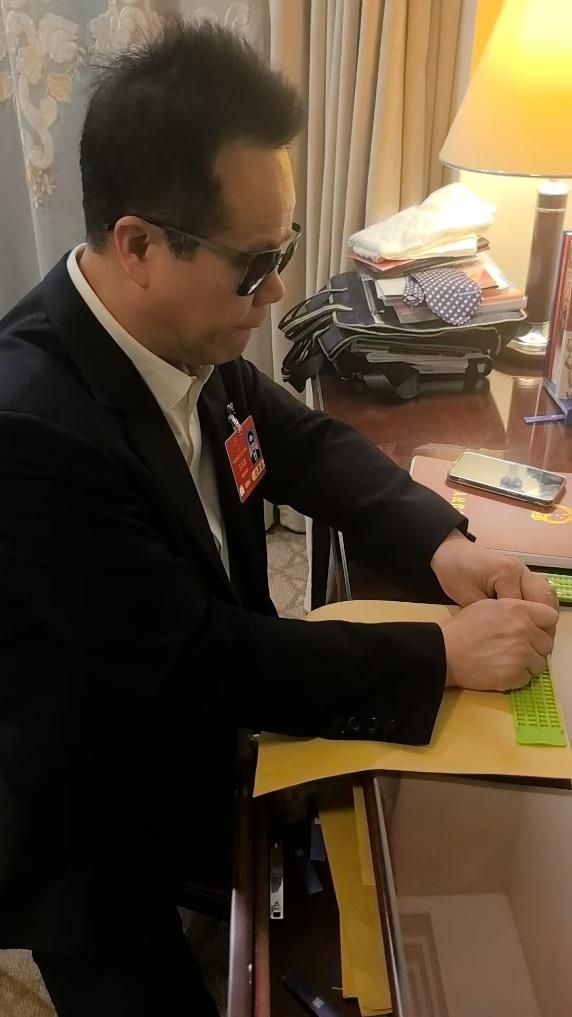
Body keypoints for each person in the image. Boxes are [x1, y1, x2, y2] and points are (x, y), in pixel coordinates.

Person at [0, 21, 558, 1017]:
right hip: (89, 812)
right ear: (138, 245)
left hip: (201, 736)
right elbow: (201, 657)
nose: (278, 291)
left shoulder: (184, 335)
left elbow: (299, 441)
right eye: (256, 263)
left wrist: (439, 542)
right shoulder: (30, 431)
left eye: (285, 249)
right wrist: (441, 655)